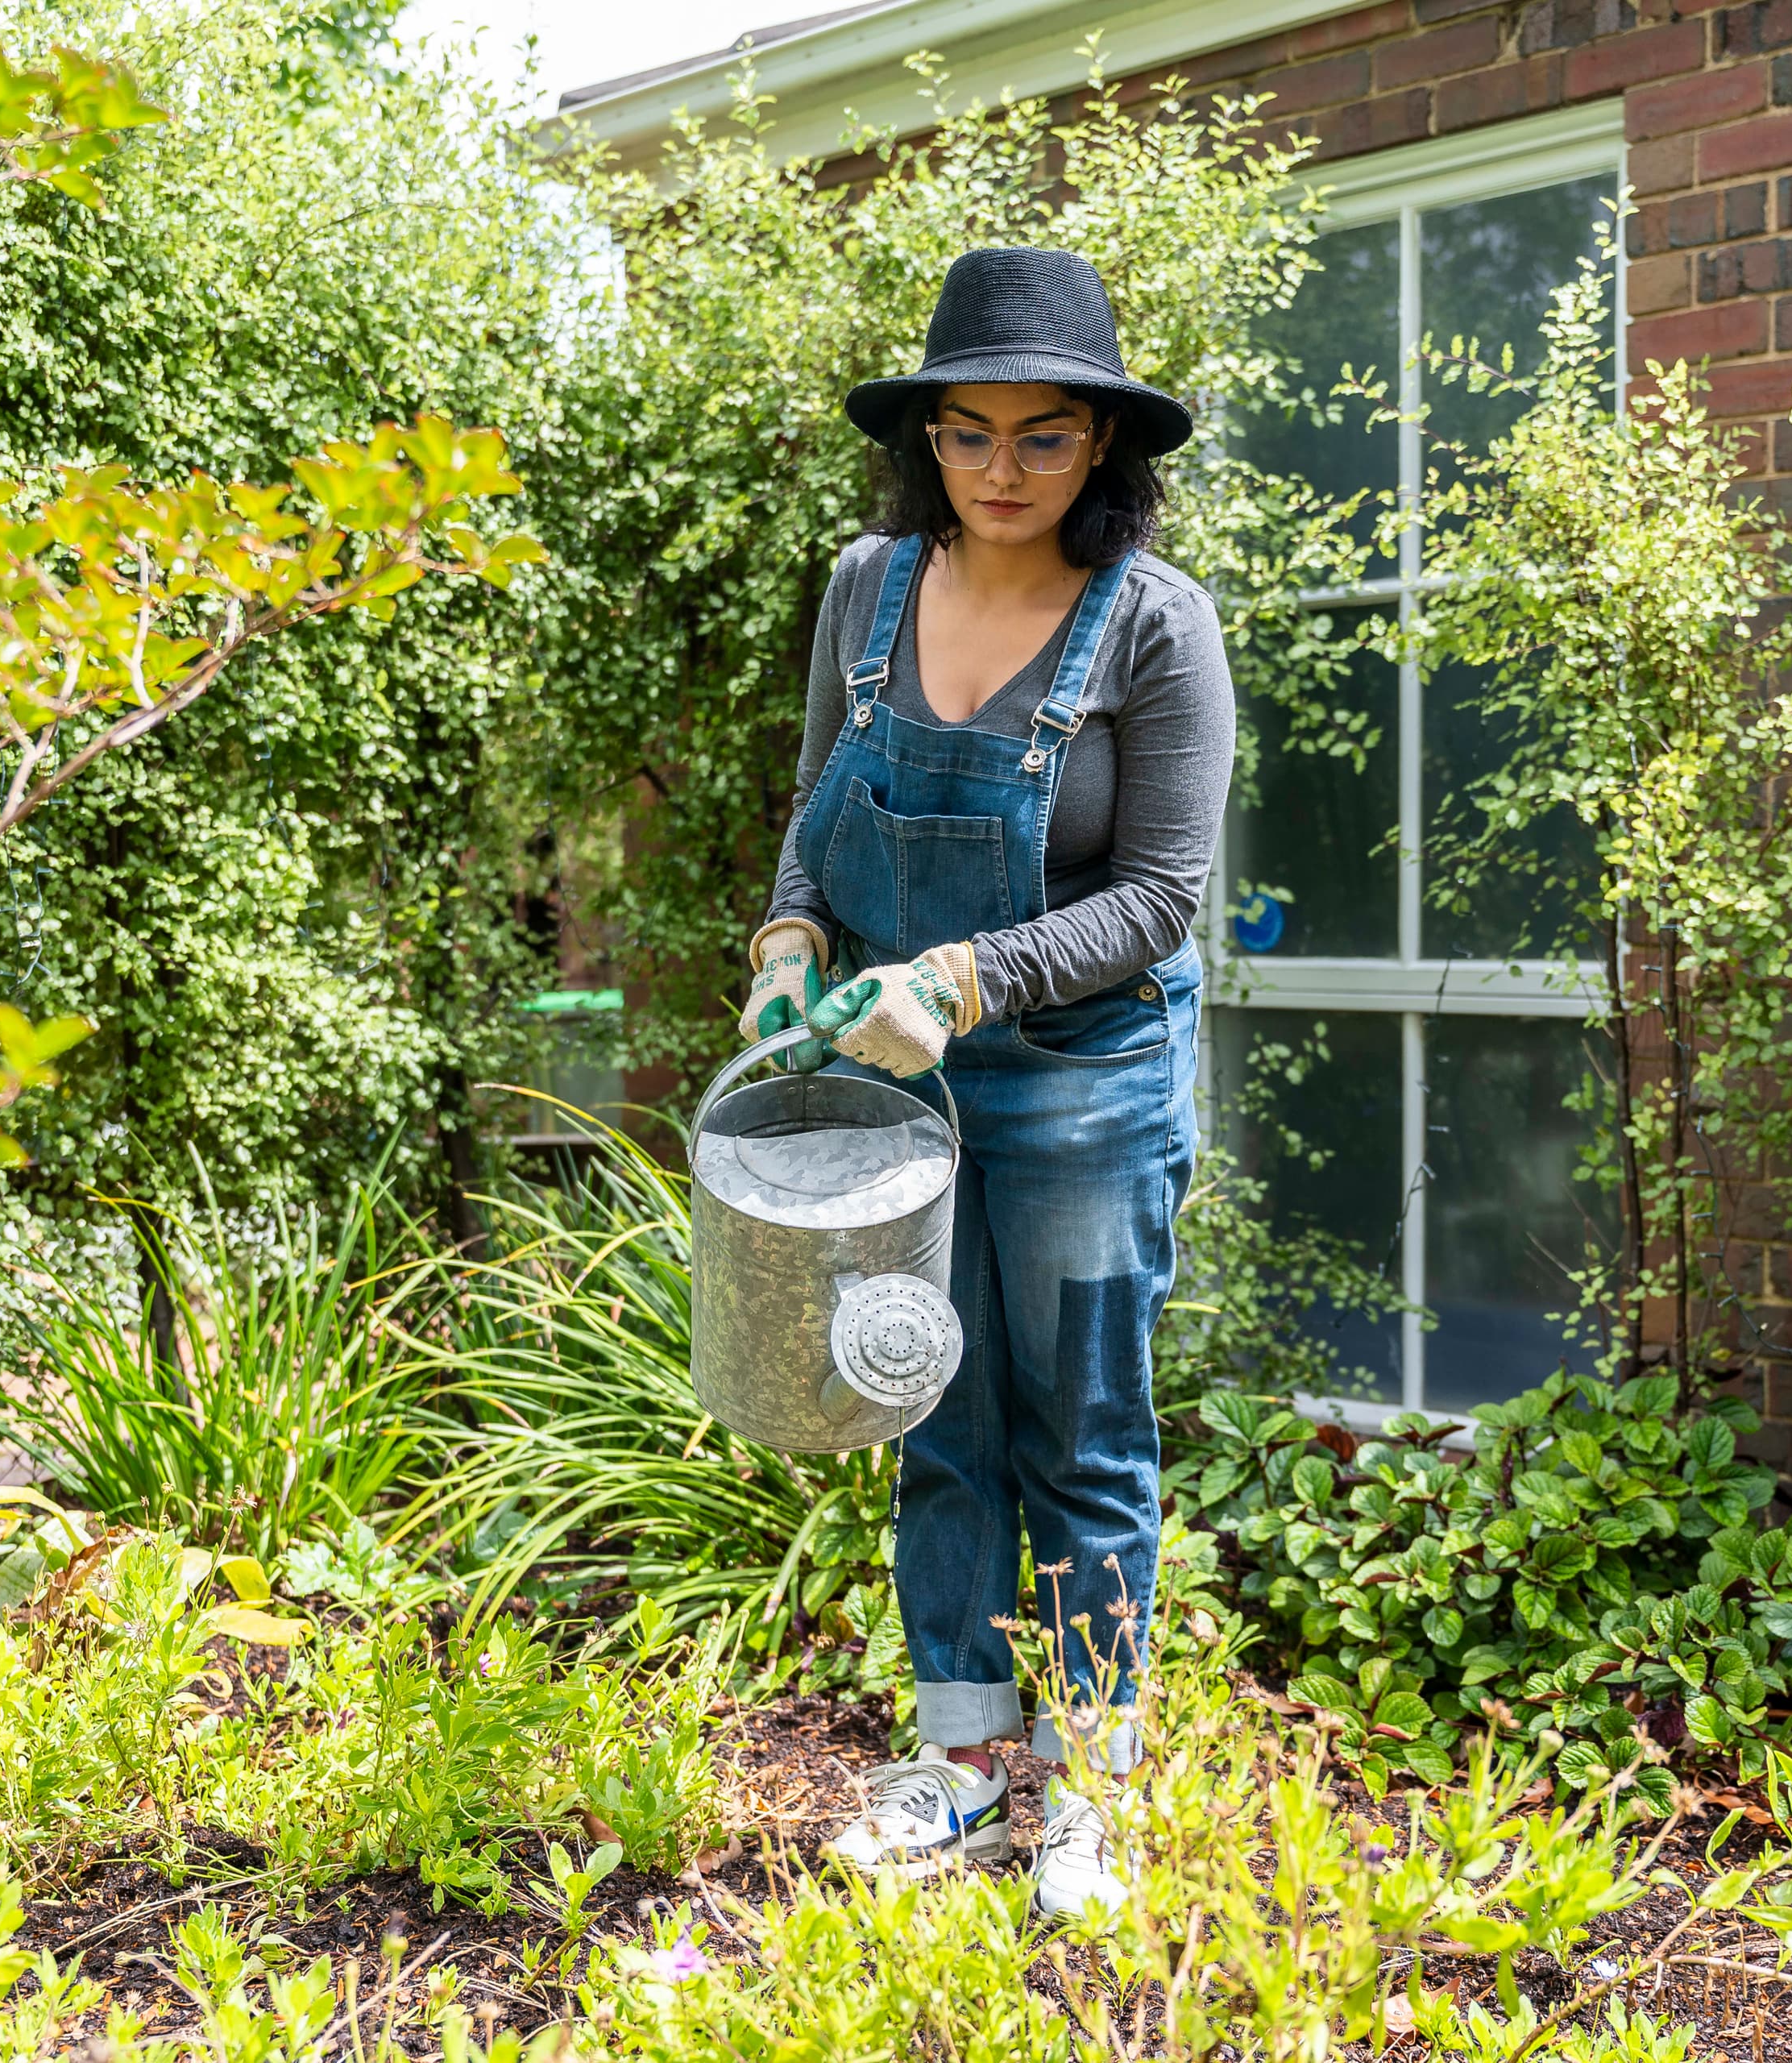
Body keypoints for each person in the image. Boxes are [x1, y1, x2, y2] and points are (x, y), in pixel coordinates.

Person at [737, 247, 1234, 1921]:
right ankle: (962, 1760)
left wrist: (961, 977)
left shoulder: (1154, 624)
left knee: (1085, 1429)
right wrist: (792, 934)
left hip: (1086, 1082)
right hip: (900, 1088)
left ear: (1103, 447)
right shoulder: (867, 586)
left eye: (1044, 436)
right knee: (931, 1410)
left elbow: (1164, 893)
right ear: (926, 439)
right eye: (971, 434)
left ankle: (1088, 1786)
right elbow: (819, 805)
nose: (1004, 470)